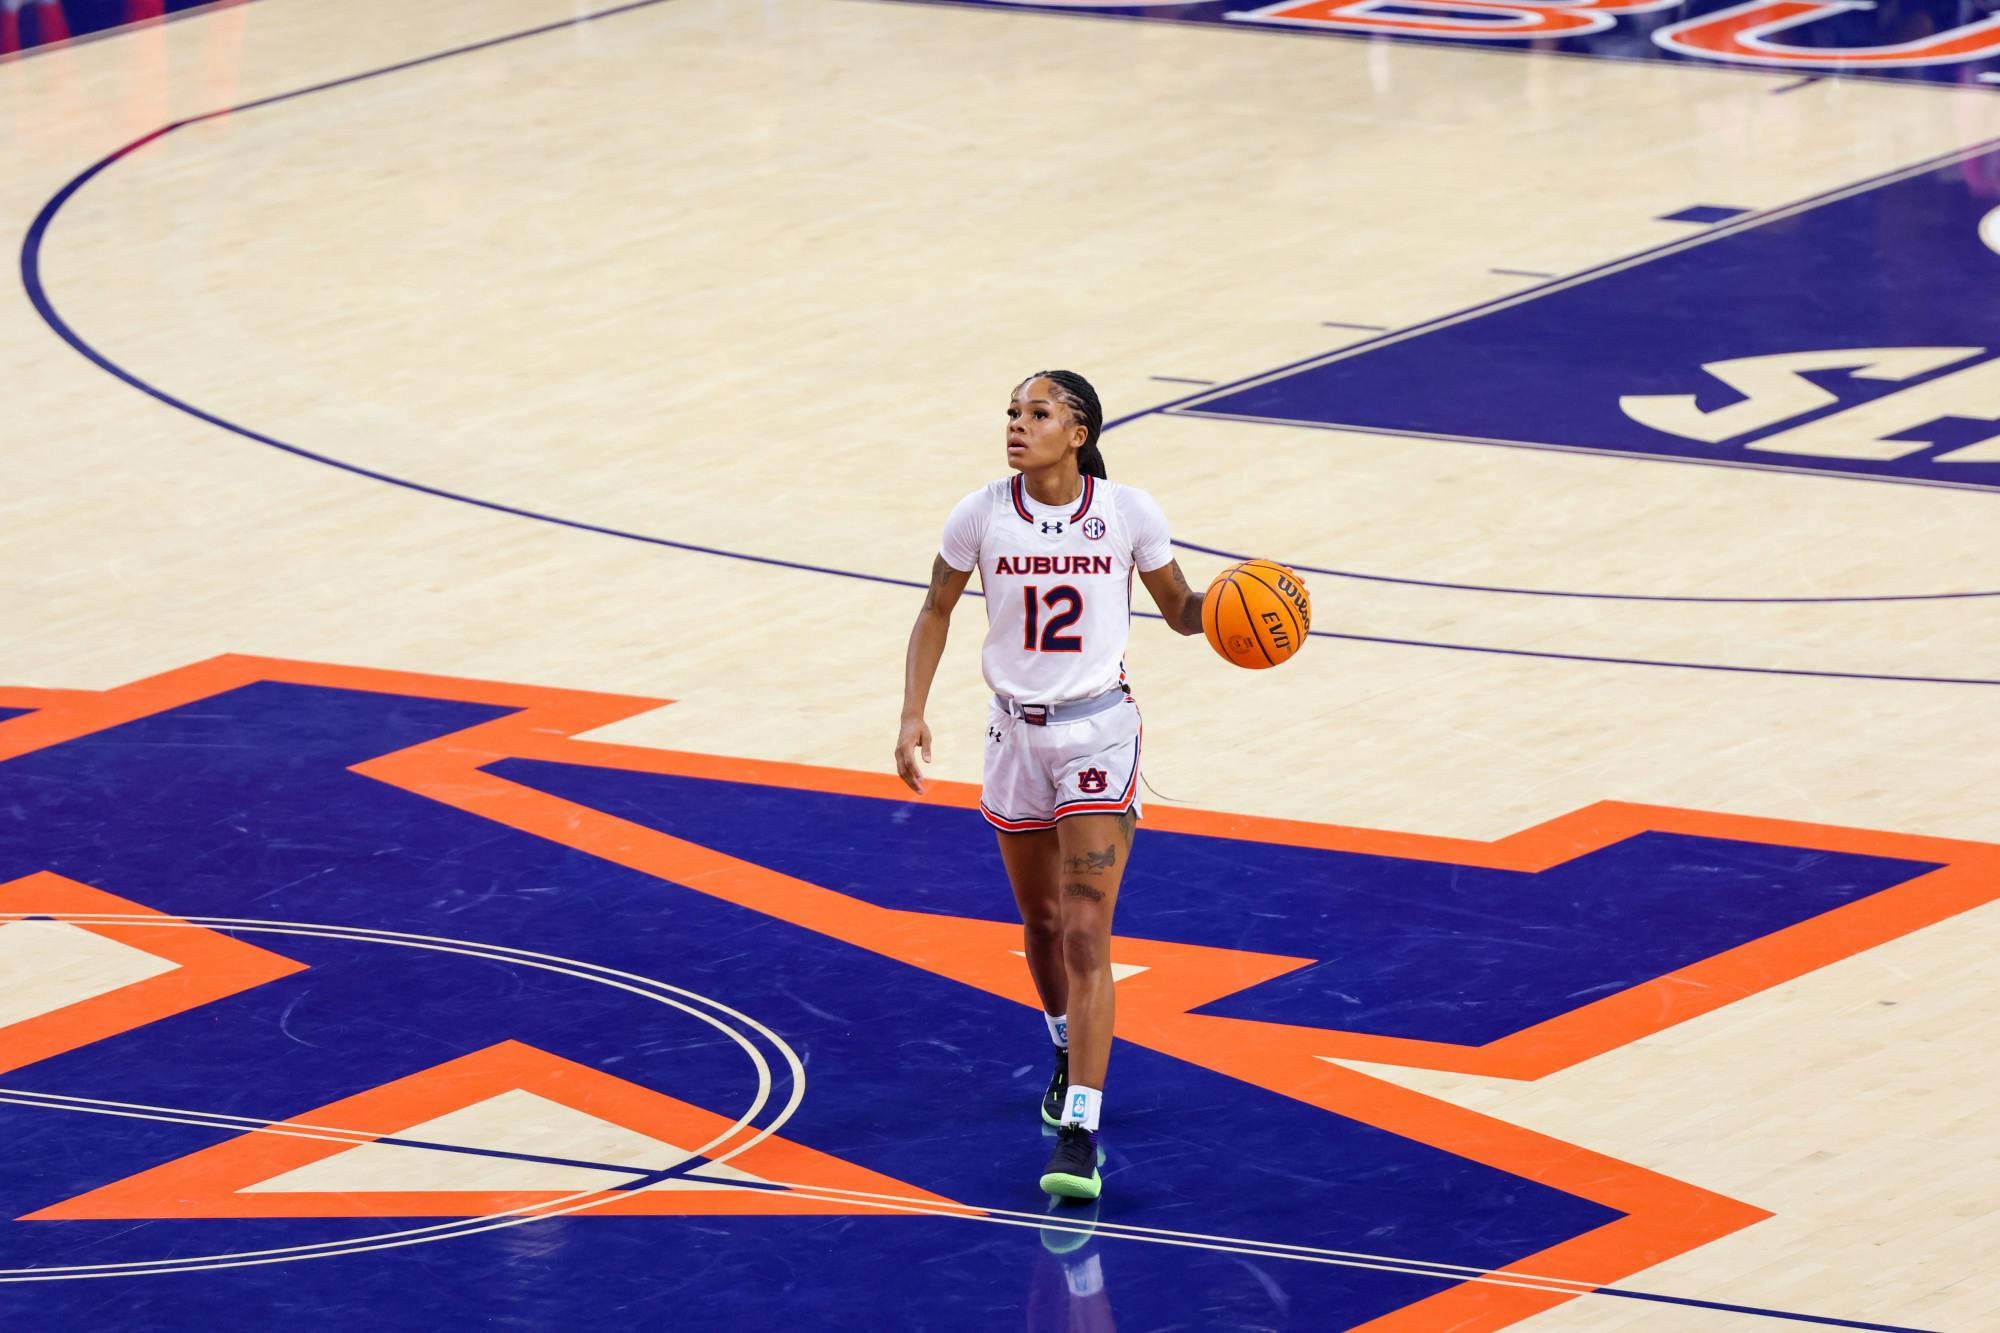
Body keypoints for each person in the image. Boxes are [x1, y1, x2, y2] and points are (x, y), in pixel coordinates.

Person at [894, 370, 1206, 1200]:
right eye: (1011, 412)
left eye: (1037, 413)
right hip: (1011, 733)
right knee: (1037, 922)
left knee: (1083, 928)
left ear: (1078, 433)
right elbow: (935, 608)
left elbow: (1180, 611)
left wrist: (1240, 610)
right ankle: (1066, 1041)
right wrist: (911, 713)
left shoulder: (1129, 512)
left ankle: (1081, 1127)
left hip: (1097, 732)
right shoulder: (981, 513)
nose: (1016, 424)